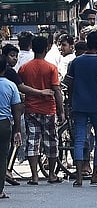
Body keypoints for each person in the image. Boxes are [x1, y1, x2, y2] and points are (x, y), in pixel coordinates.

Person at [65, 31, 97, 187]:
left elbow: (69, 85)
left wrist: (70, 103)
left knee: (79, 139)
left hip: (79, 105)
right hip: (96, 106)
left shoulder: (76, 62)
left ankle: (79, 177)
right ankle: (95, 174)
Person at [18, 36, 64, 185]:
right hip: (48, 109)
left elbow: (20, 86)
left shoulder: (24, 67)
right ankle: (51, 174)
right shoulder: (51, 68)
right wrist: (61, 110)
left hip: (31, 108)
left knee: (32, 142)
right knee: (50, 141)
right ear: (46, 48)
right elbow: (56, 90)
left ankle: (34, 176)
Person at [0, 55, 23, 199]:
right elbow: (16, 110)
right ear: (4, 68)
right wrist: (18, 131)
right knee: (2, 157)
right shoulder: (10, 85)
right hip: (4, 124)